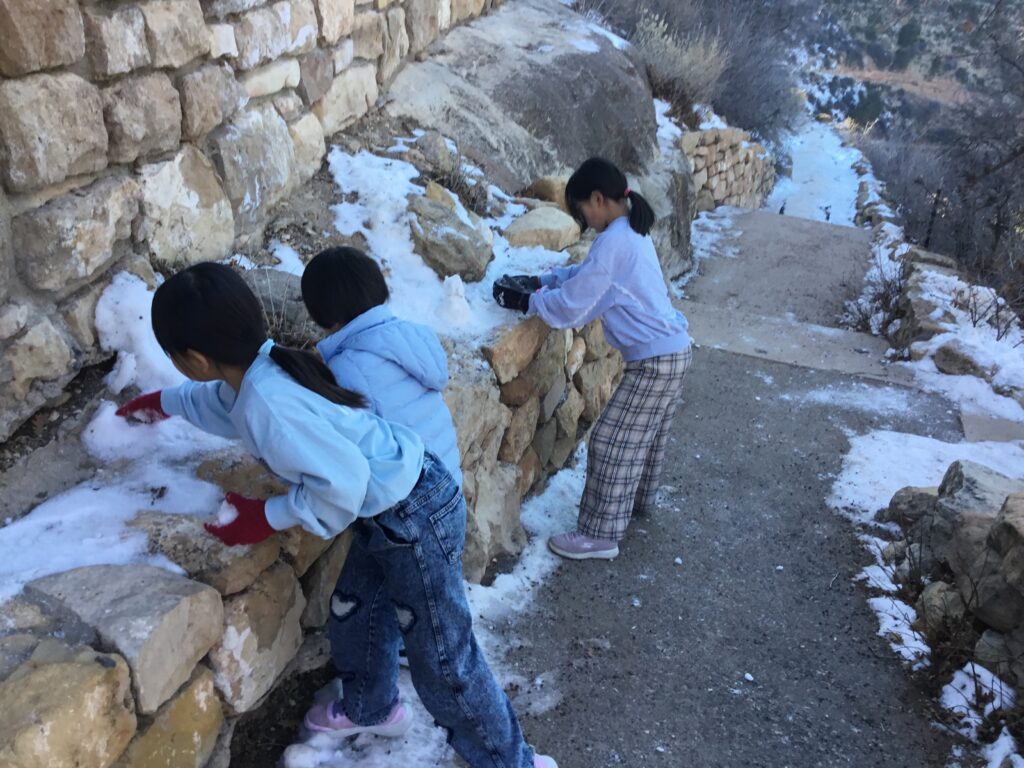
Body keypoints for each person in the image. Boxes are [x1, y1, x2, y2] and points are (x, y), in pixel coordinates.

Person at [116, 263, 556, 768]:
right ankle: (372, 708)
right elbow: (220, 403)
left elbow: (343, 485)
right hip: (394, 512)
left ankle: (510, 761)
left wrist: (268, 515)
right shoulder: (263, 369)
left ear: (194, 358)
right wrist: (166, 403)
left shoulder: (270, 404)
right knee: (357, 611)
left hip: (415, 518)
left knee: (444, 662)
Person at [493, 157, 693, 562]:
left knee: (610, 442)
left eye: (581, 210)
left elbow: (573, 307)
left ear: (598, 199)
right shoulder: (629, 231)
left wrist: (529, 301)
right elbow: (591, 277)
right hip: (671, 351)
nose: (583, 220)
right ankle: (636, 502)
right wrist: (546, 280)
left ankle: (600, 536)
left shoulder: (615, 242)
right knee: (644, 436)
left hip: (656, 361)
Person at [301, 246, 462, 488]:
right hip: (450, 484)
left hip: (413, 500)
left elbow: (348, 452)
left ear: (322, 313)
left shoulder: (347, 366)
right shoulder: (415, 336)